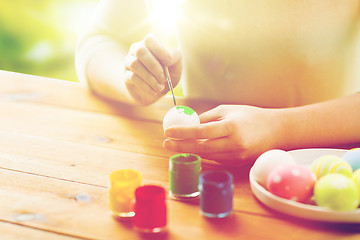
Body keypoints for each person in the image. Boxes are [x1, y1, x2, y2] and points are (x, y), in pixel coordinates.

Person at [75, 0, 360, 166]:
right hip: (206, 170)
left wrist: (279, 127)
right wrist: (133, 81)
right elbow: (97, 41)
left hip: (331, 167)